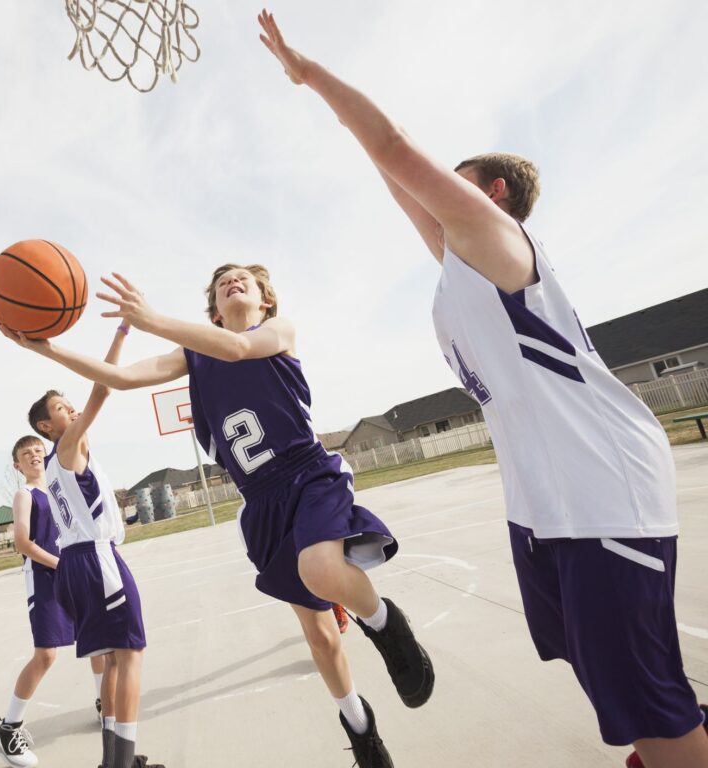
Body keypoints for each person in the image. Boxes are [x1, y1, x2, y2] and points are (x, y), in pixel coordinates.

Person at [255, 9, 708, 767]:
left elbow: (396, 149)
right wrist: (349, 132)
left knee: (647, 702)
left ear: (492, 192)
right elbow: (391, 169)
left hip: (604, 486)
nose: (428, 191)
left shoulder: (500, 241)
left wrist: (312, 78)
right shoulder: (460, 267)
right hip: (550, 501)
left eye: (452, 183)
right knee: (611, 684)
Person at [0, 267, 434, 767]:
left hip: (308, 475)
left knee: (320, 570)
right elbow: (119, 378)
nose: (233, 281)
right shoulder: (194, 354)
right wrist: (44, 349)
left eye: (244, 279)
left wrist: (151, 317)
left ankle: (385, 623)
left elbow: (239, 350)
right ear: (212, 310)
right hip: (261, 501)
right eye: (223, 281)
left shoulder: (277, 332)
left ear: (264, 302)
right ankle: (361, 729)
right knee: (318, 633)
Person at [0, 321, 162, 768]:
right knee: (130, 655)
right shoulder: (66, 445)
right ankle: (121, 763)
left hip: (75, 563)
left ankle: (114, 760)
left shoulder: (56, 464)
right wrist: (122, 335)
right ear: (46, 425)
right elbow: (104, 389)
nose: (70, 407)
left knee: (110, 661)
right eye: (59, 406)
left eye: (69, 402)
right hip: (94, 558)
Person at [0, 434, 107, 767]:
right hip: (45, 579)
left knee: (96, 642)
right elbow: (23, 543)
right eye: (25, 454)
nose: (33, 456)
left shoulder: (59, 488)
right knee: (46, 655)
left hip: (74, 572)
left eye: (38, 451)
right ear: (17, 464)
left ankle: (103, 703)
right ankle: (8, 726)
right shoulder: (24, 494)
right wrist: (60, 563)